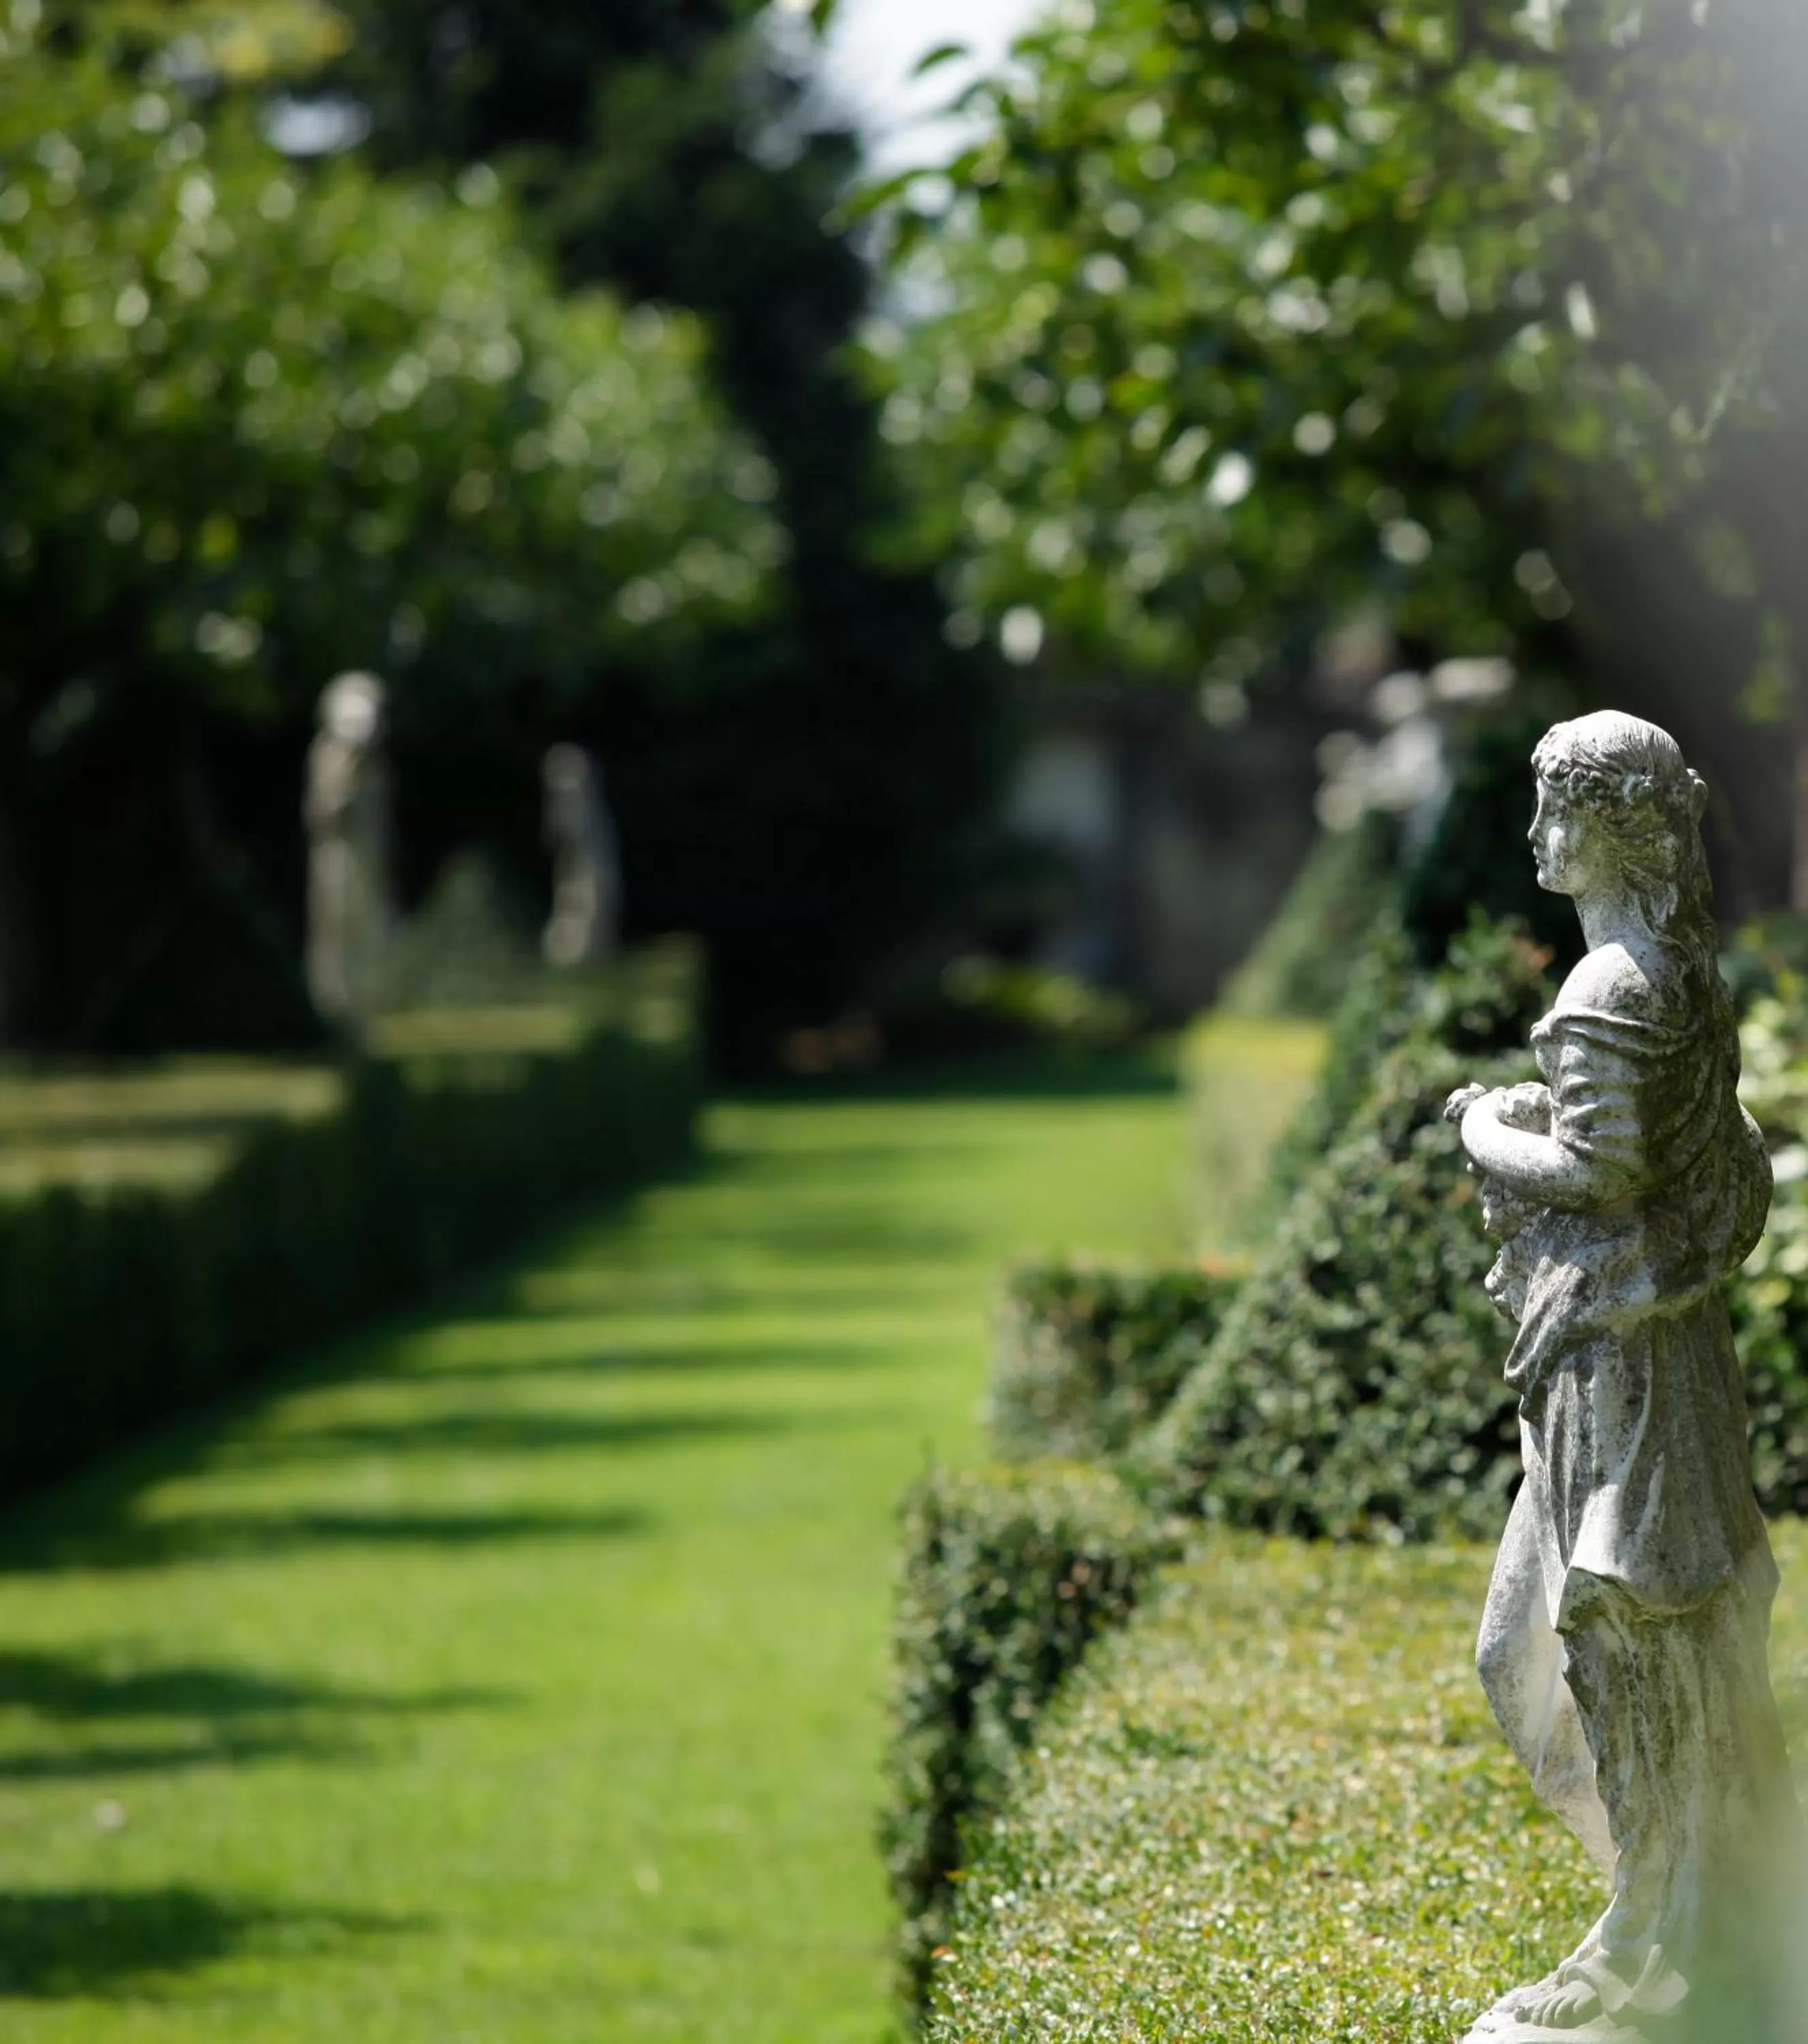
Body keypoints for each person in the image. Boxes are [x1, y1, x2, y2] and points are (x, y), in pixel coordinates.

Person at [1448, 711, 1794, 2039]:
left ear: (1609, 829)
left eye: (1553, 811)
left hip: (1624, 1370)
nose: (1535, 837)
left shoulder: (1612, 985)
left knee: (1611, 1633)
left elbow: (1607, 1172)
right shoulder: (1664, 968)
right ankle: (1686, 1917)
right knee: (1583, 1637)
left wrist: (1486, 1126)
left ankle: (1660, 1943)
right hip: (1639, 1352)